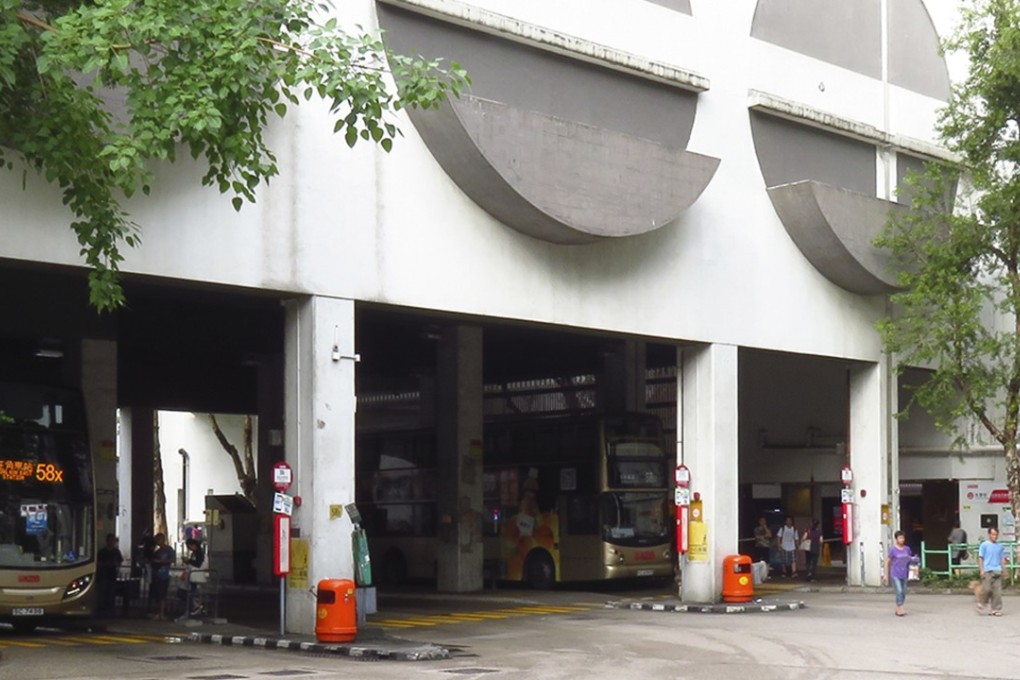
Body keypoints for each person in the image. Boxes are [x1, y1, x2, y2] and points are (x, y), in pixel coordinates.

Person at [883, 530, 914, 616]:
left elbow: (909, 559)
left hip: (904, 573)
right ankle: (900, 607)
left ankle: (898, 607)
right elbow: (887, 562)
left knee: (903, 592)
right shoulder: (893, 550)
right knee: (899, 591)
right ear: (896, 539)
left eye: (903, 538)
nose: (902, 540)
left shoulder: (907, 549)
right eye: (900, 538)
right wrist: (885, 575)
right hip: (895, 573)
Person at [978, 527, 1005, 616]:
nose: (995, 536)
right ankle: (982, 602)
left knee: (997, 592)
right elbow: (981, 558)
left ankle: (995, 609)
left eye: (996, 534)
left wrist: (1004, 569)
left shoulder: (1000, 546)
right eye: (993, 534)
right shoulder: (984, 545)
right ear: (989, 534)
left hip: (997, 570)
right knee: (987, 589)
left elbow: (1001, 559)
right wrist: (981, 569)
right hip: (987, 570)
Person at [148, 532, 176, 621]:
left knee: (162, 595)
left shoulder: (169, 550)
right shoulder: (157, 551)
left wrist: (162, 562)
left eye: (158, 540)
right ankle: (157, 612)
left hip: (163, 575)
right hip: (155, 574)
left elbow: (173, 560)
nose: (157, 542)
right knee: (156, 595)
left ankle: (162, 613)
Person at [95, 533, 123, 617]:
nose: (112, 542)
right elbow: (97, 563)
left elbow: (119, 562)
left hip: (112, 575)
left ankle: (110, 611)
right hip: (103, 575)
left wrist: (115, 564)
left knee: (111, 593)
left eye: (113, 541)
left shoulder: (116, 551)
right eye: (110, 540)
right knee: (102, 594)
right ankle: (102, 611)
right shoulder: (102, 552)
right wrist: (104, 564)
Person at [179, 538, 206, 618]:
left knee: (189, 593)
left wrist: (189, 561)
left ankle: (194, 607)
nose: (189, 548)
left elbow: (198, 564)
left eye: (189, 546)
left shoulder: (199, 553)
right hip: (190, 575)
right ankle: (195, 606)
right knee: (184, 593)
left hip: (194, 576)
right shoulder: (194, 553)